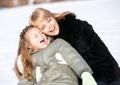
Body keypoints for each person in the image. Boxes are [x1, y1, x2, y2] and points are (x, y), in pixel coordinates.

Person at [29, 8, 120, 85]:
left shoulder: (77, 27)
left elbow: (99, 56)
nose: (50, 26)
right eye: (43, 27)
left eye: (49, 20)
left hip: (105, 73)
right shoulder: (48, 43)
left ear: (53, 17)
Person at [14, 25, 97, 85]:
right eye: (36, 36)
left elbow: (73, 58)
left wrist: (85, 74)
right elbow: (26, 79)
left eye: (41, 33)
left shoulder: (57, 44)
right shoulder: (31, 59)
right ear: (29, 46)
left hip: (64, 81)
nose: (40, 35)